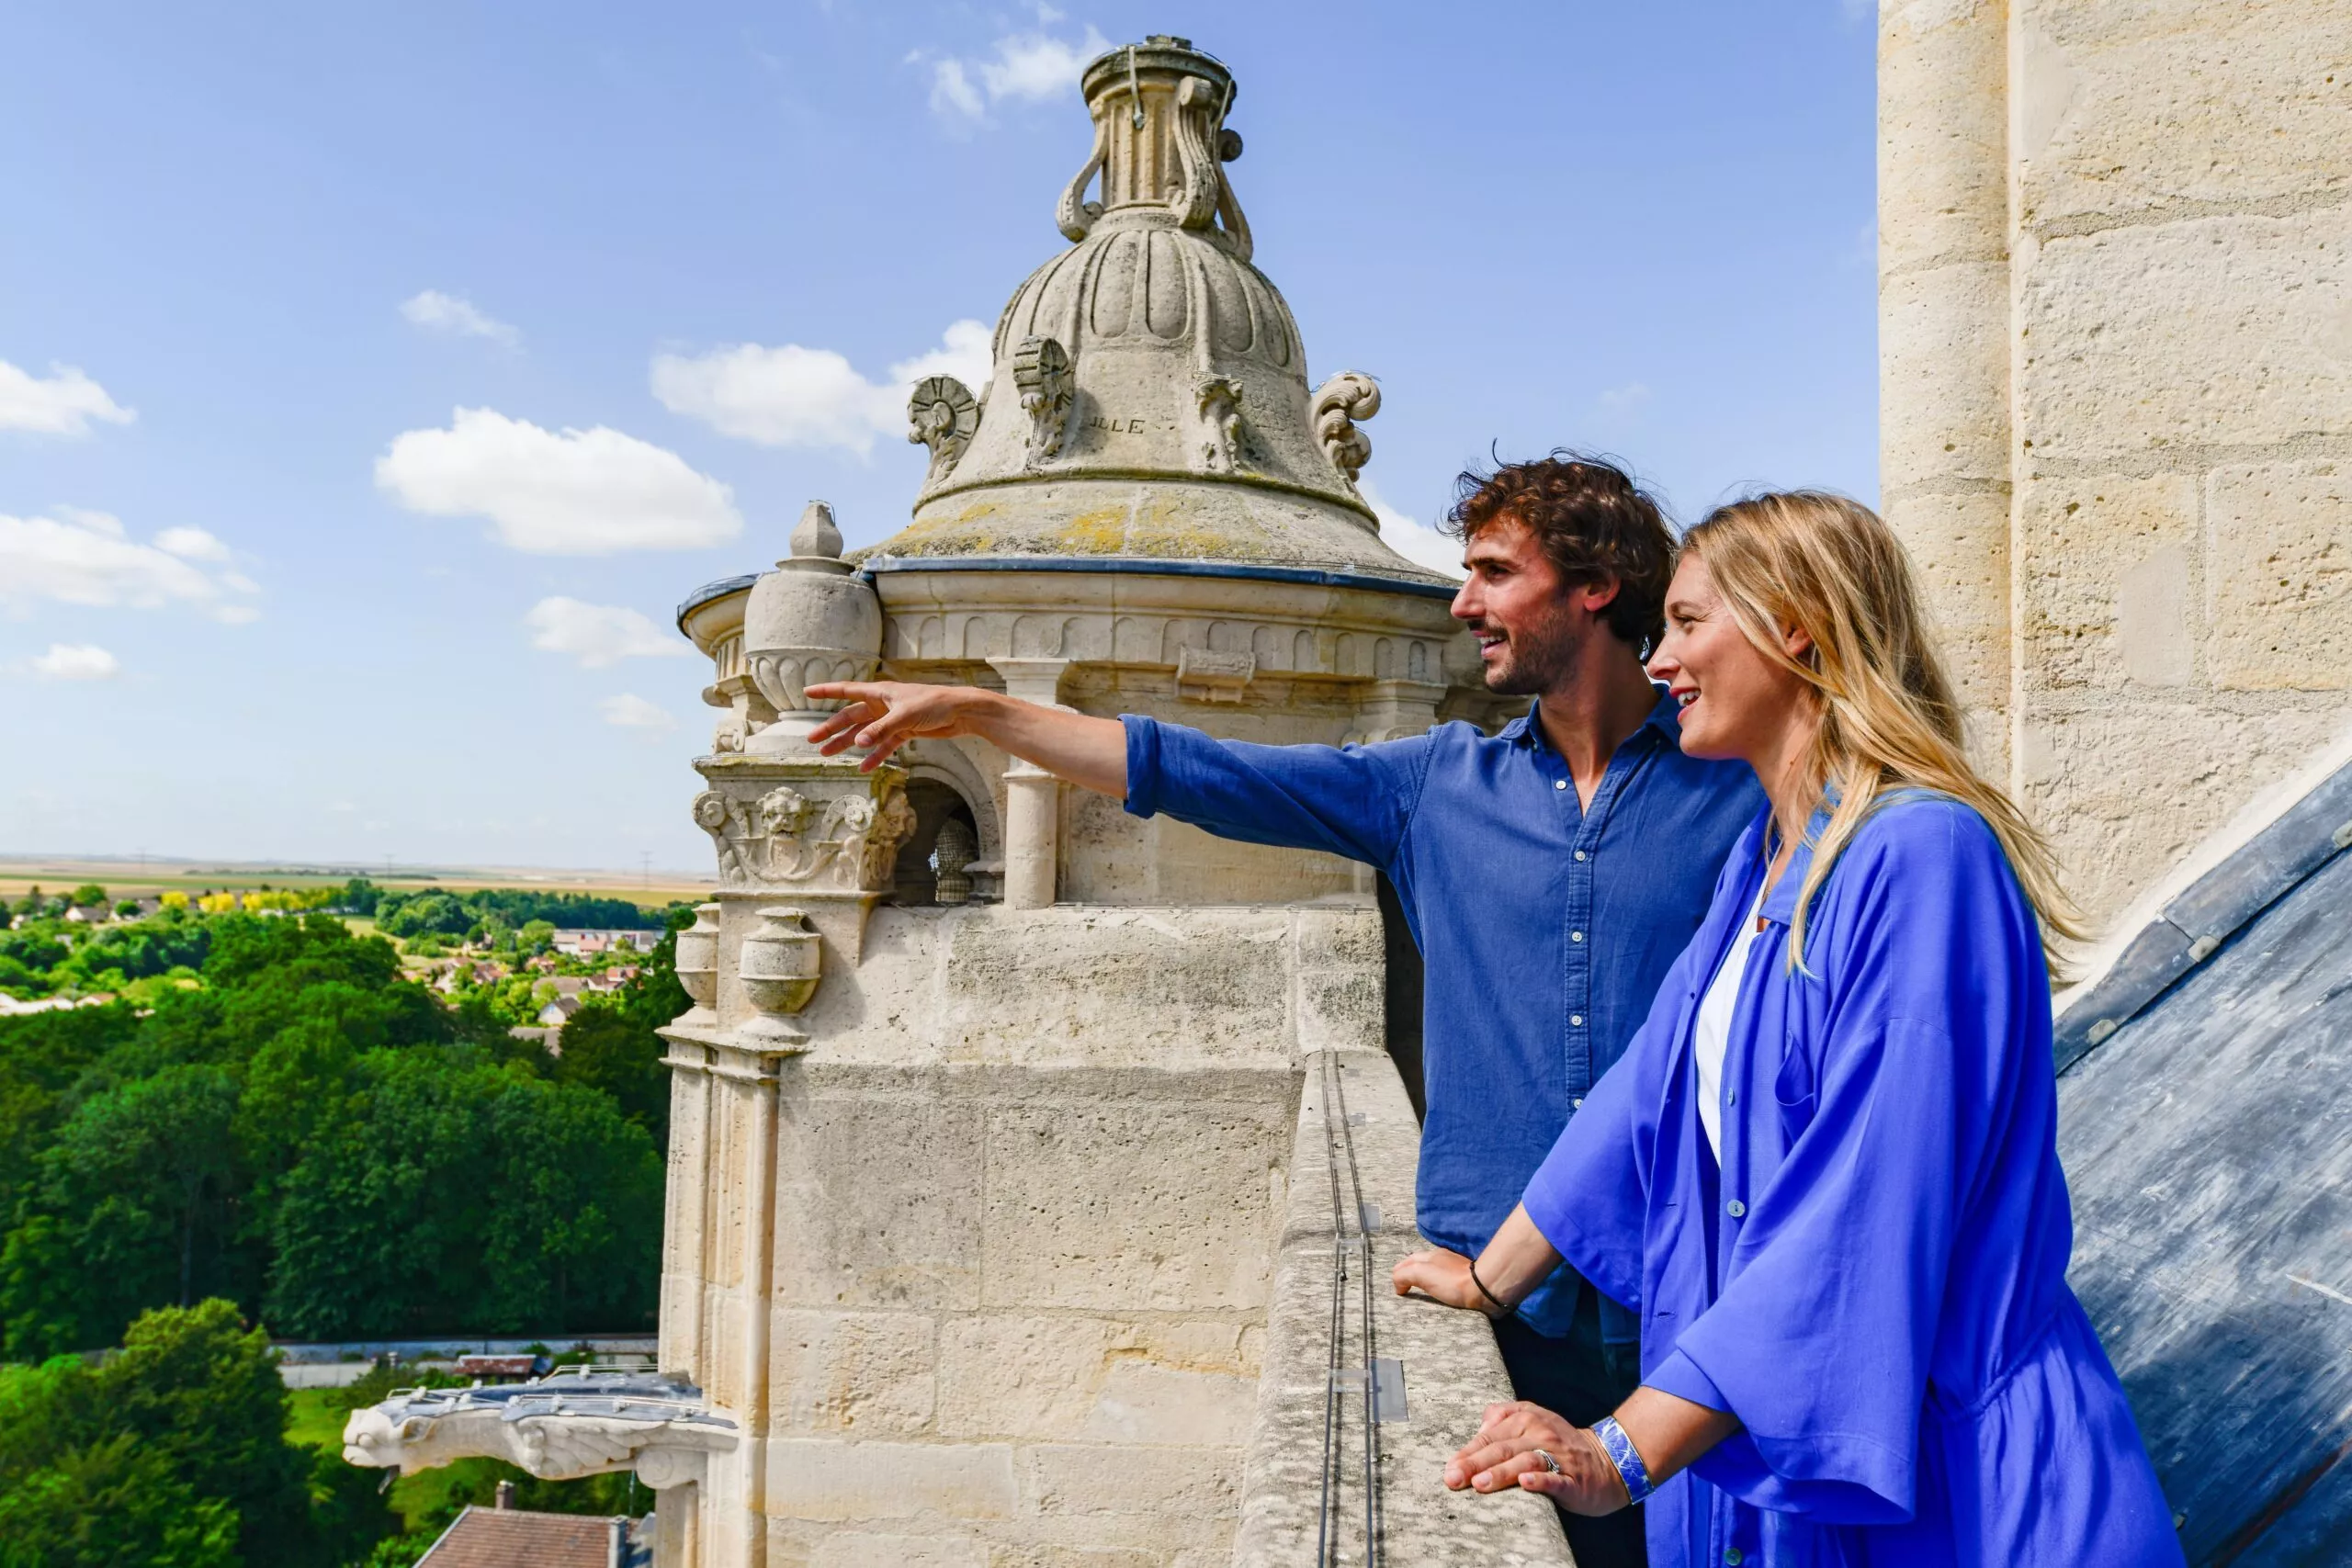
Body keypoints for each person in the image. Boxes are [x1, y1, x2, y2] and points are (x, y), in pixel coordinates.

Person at [809, 455, 1762, 1568]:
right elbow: (1196, 771)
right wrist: (983, 711)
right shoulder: (1433, 785)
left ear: (1594, 584)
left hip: (1693, 1288)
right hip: (1494, 1302)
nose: (1463, 604)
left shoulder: (1741, 785)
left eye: (1494, 573)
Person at [1391, 491, 2184, 1565]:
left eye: (1686, 622)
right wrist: (1493, 1276)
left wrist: (1620, 1453)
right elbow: (1645, 1092)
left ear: (1796, 624)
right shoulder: (1767, 858)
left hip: (1958, 1488)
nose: (1659, 658)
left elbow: (1862, 1199)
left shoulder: (1920, 856)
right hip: (1790, 1448)